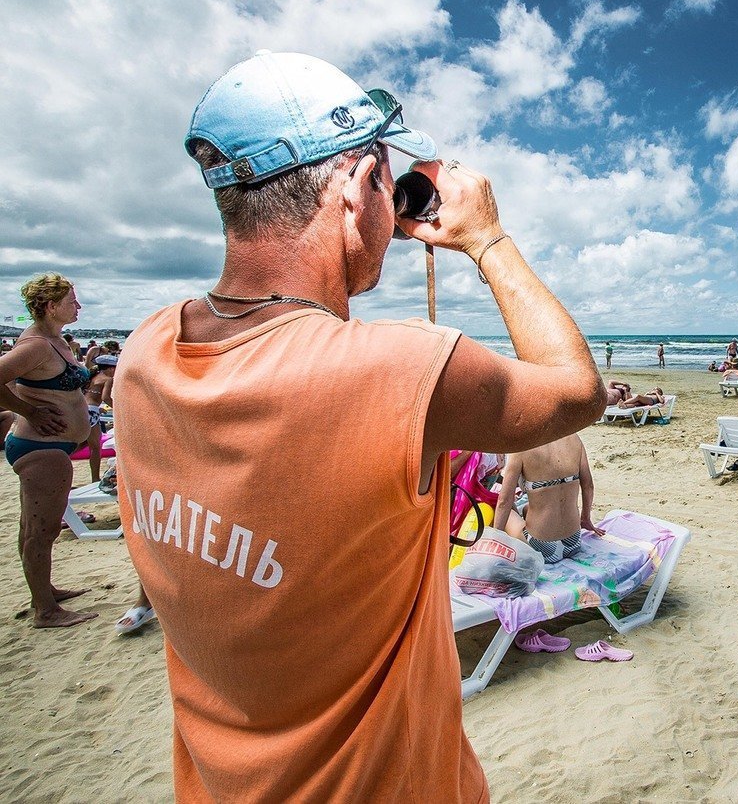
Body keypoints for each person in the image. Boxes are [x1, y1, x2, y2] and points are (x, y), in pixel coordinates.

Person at [112, 51, 605, 801]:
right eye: (382, 174)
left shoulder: (143, 354)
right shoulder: (397, 373)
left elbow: (293, 346)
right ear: (353, 187)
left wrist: (356, 246)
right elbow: (577, 388)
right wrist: (486, 239)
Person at [0, 273, 96, 627]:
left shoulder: (54, 341)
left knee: (34, 528)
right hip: (41, 448)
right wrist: (30, 411)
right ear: (51, 306)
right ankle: (46, 610)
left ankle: (45, 592)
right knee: (42, 531)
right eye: (72, 301)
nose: (78, 306)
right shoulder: (37, 345)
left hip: (50, 447)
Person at [492, 432, 599, 565]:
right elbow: (588, 485)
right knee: (526, 508)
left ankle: (498, 538)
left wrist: (494, 539)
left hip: (541, 547)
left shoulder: (522, 447)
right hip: (573, 541)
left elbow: (504, 501)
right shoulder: (574, 438)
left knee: (506, 511)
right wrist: (585, 519)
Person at [85, 354, 117, 481]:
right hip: (91, 412)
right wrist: (118, 408)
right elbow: (105, 397)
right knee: (96, 447)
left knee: (82, 444)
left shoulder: (93, 377)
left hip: (83, 409)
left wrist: (99, 408)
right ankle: (95, 479)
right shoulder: (108, 379)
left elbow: (88, 397)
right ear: (110, 368)